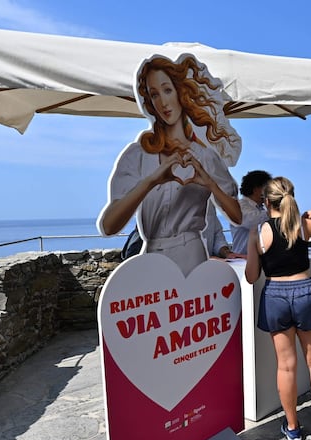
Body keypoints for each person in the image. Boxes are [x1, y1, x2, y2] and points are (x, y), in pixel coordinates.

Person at [98, 54, 242, 277]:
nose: (163, 102)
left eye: (167, 90)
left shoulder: (205, 156)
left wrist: (210, 183)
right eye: (154, 94)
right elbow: (109, 226)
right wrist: (151, 181)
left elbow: (237, 215)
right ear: (150, 102)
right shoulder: (137, 155)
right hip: (152, 254)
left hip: (192, 255)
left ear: (180, 93)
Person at [245, 177, 311, 440]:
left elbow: (251, 276)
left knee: (286, 365)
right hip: (304, 291)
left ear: (266, 202)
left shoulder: (258, 232)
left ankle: (292, 428)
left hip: (275, 295)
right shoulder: (302, 226)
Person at [230, 170, 273, 254]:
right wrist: (274, 210)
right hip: (242, 259)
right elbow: (253, 222)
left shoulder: (261, 208)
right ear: (256, 189)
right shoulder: (240, 206)